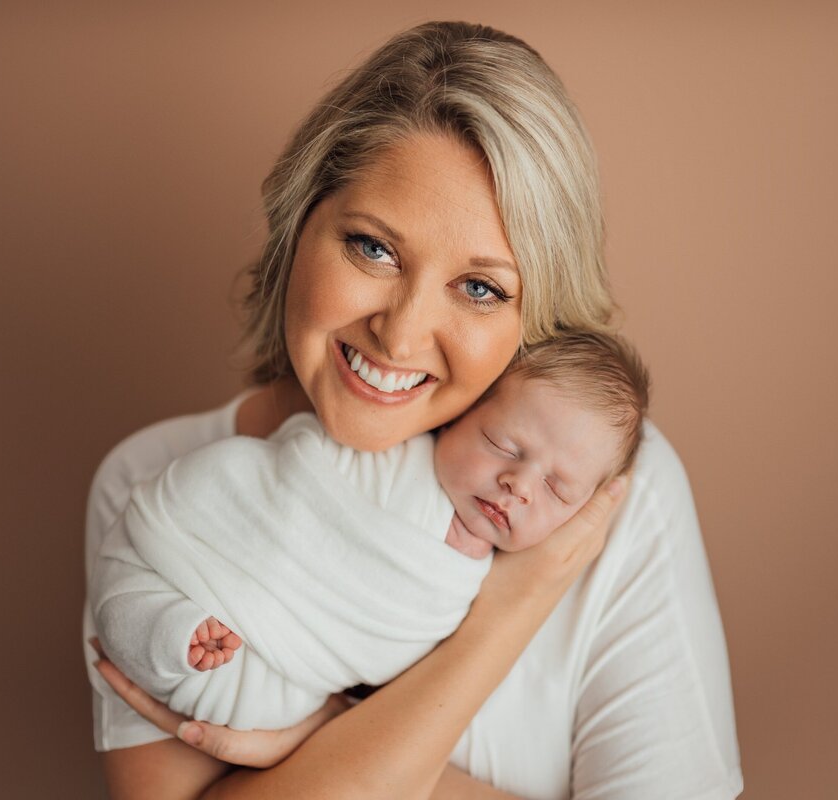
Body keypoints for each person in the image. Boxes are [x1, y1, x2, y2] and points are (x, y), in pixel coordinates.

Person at [84, 20, 743, 800]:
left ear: (532, 317)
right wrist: (505, 616)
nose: (399, 335)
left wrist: (324, 739)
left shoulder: (599, 492)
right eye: (373, 248)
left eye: (480, 289)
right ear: (301, 225)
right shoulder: (149, 480)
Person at [91, 332, 649, 732]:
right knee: (129, 605)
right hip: (189, 545)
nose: (520, 485)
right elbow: (298, 468)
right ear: (456, 416)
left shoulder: (487, 584)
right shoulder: (385, 450)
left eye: (558, 490)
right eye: (505, 445)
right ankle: (165, 631)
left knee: (264, 705)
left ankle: (179, 642)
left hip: (276, 671)